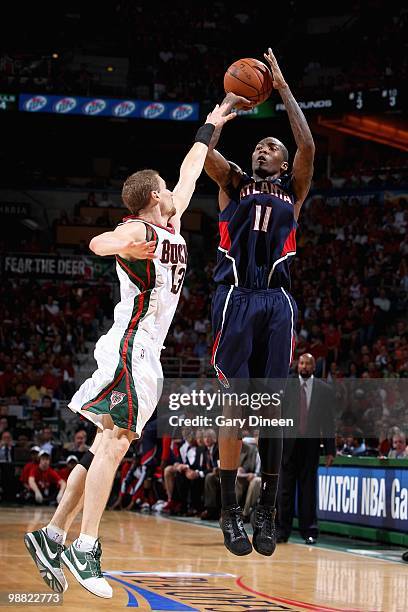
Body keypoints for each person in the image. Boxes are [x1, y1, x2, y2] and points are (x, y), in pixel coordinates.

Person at [24, 102, 235, 599]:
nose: (175, 187)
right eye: (166, 185)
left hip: (145, 351)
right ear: (153, 196)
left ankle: (52, 535)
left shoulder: (173, 219)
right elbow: (100, 241)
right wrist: (117, 247)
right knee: (117, 445)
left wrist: (215, 123)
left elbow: (190, 166)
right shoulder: (139, 230)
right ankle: (86, 546)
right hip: (132, 347)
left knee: (102, 449)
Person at [204, 48, 315, 556]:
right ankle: (229, 514)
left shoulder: (295, 188)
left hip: (277, 301)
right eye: (261, 146)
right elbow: (201, 153)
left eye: (273, 145)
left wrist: (285, 90)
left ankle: (266, 510)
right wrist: (222, 111)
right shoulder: (233, 182)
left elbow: (308, 143)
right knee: (232, 408)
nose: (265, 149)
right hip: (236, 297)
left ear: (285, 160)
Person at [277, 353, 336, 544]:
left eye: (308, 363)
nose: (304, 366)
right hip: (287, 445)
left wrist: (330, 450)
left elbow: (328, 422)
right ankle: (281, 531)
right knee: (284, 490)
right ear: (297, 365)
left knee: (308, 491)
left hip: (310, 446)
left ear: (314, 366)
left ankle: (309, 531)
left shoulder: (324, 390)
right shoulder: (286, 385)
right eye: (301, 363)